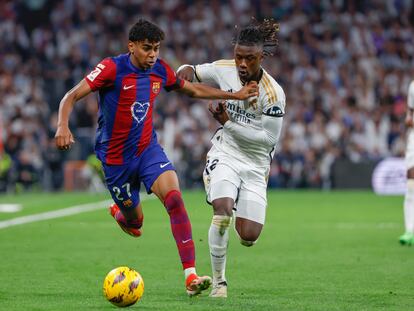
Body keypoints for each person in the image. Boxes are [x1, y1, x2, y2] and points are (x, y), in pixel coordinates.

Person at [54, 19, 258, 296]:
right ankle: (121, 213)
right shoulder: (111, 68)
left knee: (174, 198)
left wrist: (234, 95)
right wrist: (62, 125)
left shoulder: (160, 70)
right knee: (135, 223)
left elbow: (192, 89)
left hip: (148, 150)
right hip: (116, 161)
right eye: (147, 49)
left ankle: (190, 277)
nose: (152, 55)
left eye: (156, 49)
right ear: (132, 46)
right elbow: (71, 96)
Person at [177, 19, 285, 298]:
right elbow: (191, 71)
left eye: (249, 58)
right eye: (239, 56)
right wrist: (184, 72)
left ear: (261, 57)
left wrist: (228, 123)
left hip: (256, 164)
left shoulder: (273, 94)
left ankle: (238, 204)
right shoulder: (224, 68)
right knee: (221, 210)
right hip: (225, 153)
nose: (242, 64)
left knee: (249, 236)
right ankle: (218, 283)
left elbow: (268, 141)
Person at [400, 81, 414, 245]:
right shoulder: (412, 86)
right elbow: (410, 114)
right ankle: (409, 230)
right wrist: (408, 119)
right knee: (411, 181)